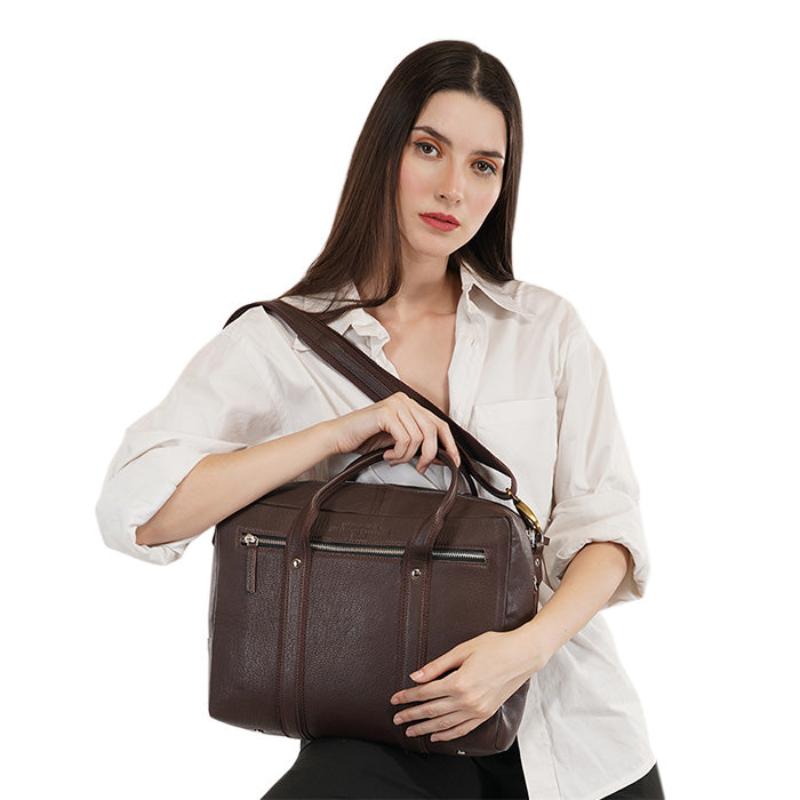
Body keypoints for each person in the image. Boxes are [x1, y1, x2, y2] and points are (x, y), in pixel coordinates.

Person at [95, 40, 665, 800]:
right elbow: (138, 513)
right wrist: (337, 432)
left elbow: (606, 527)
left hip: (573, 734)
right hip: (383, 728)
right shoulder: (281, 345)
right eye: (429, 148)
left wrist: (520, 653)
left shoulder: (545, 330)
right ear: (384, 150)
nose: (453, 188)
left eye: (484, 165)